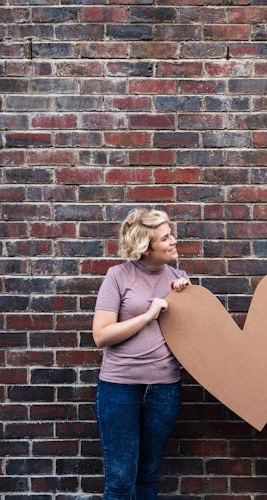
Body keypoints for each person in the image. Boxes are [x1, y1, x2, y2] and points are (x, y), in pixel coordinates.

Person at [92, 208, 190, 500]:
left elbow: (192, 337)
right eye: (166, 237)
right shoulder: (118, 276)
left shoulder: (179, 279)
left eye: (171, 234)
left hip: (164, 390)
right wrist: (148, 315)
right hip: (119, 389)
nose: (174, 240)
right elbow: (101, 335)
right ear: (146, 248)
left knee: (147, 479)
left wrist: (187, 299)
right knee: (121, 482)